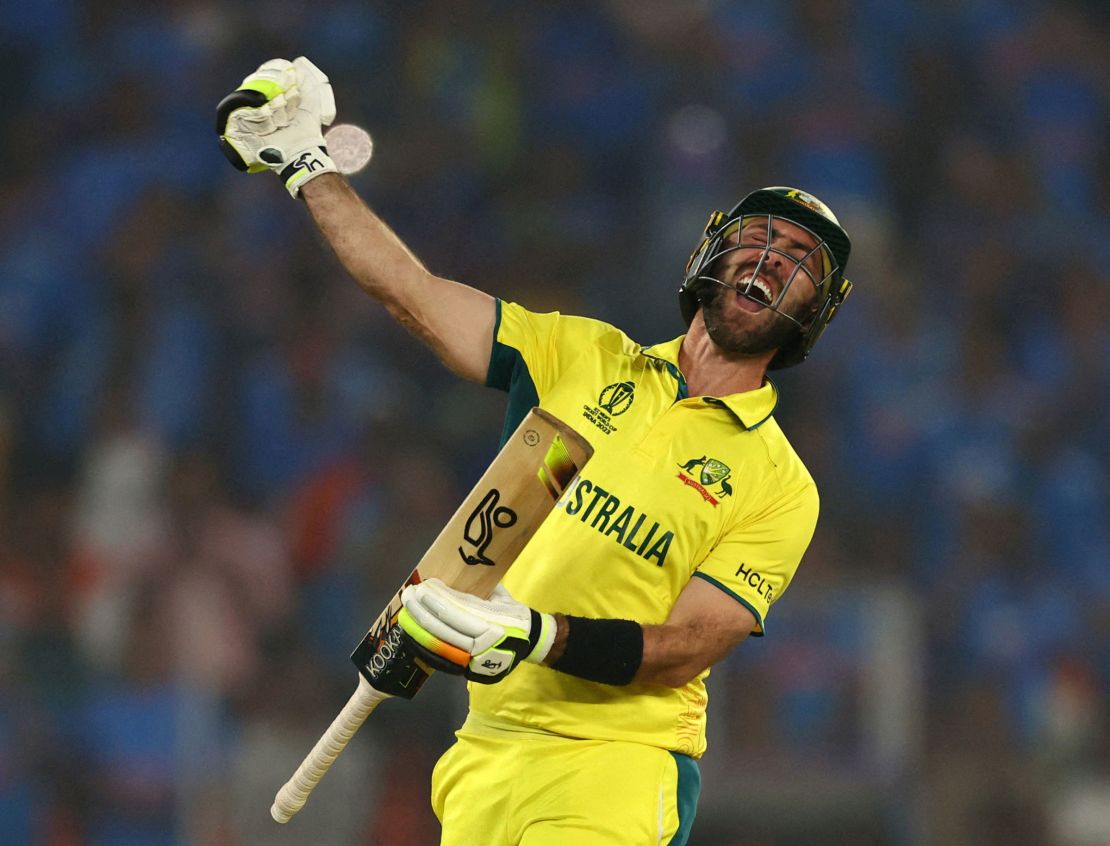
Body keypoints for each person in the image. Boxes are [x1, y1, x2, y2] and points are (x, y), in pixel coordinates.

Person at [218, 58, 853, 846]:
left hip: (616, 764)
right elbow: (410, 293)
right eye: (759, 239)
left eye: (799, 262)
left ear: (811, 315)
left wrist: (536, 635)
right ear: (711, 255)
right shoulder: (579, 356)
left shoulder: (780, 484)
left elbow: (690, 646)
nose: (771, 261)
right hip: (483, 750)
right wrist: (308, 168)